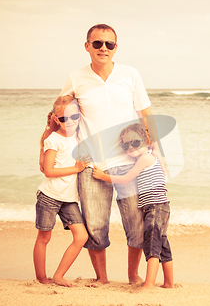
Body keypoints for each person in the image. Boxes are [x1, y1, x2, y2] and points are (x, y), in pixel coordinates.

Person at [39, 24, 162, 286]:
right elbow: (57, 113)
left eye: (109, 44)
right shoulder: (76, 77)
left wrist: (157, 151)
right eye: (97, 44)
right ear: (87, 46)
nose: (103, 48)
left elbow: (146, 114)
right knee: (95, 225)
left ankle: (132, 275)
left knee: (136, 224)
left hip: (127, 161)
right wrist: (45, 147)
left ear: (116, 47)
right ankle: (102, 277)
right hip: (89, 163)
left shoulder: (130, 74)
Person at [92, 123, 173, 291]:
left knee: (152, 245)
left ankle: (149, 284)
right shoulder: (153, 156)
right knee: (162, 243)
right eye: (125, 145)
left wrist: (103, 176)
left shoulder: (145, 158)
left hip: (155, 206)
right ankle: (169, 283)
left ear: (146, 140)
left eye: (135, 143)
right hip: (160, 206)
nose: (130, 147)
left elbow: (125, 179)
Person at [34, 96, 89, 287]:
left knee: (81, 236)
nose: (71, 121)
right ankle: (41, 278)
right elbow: (49, 171)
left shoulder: (79, 136)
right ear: (57, 119)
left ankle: (58, 276)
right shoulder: (53, 140)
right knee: (44, 237)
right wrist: (76, 168)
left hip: (69, 199)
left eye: (74, 116)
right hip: (49, 196)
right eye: (64, 119)